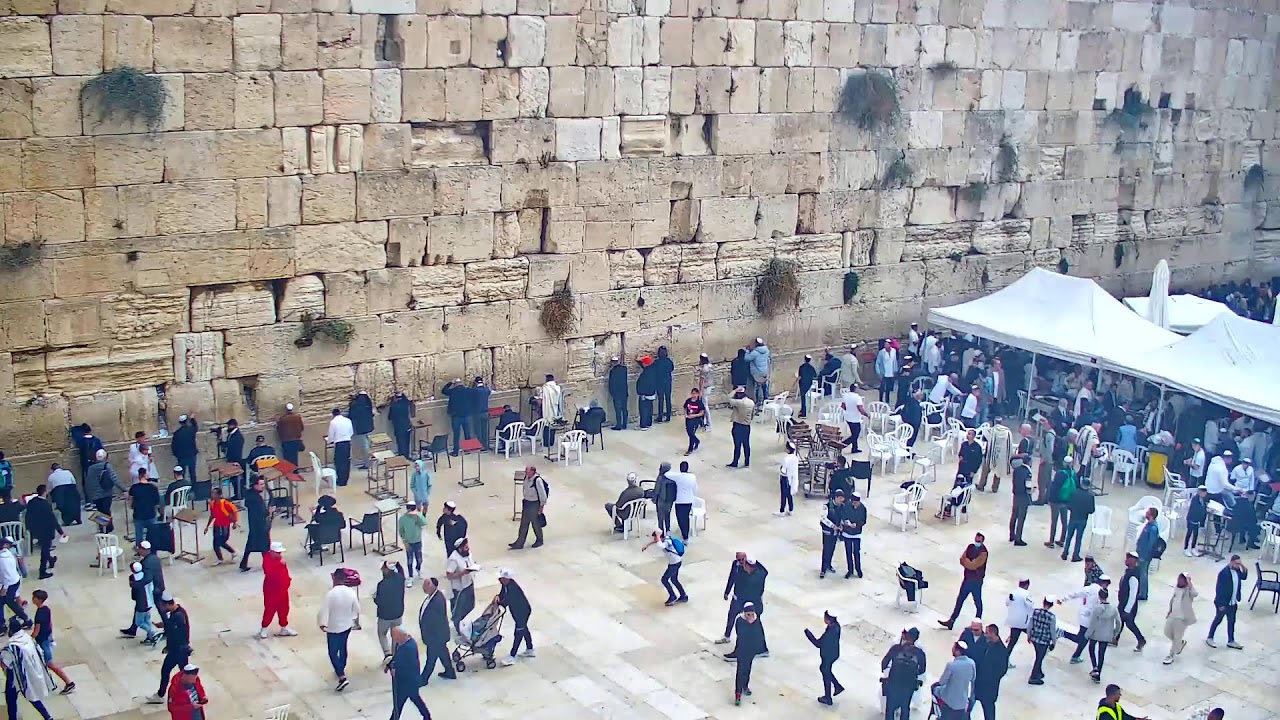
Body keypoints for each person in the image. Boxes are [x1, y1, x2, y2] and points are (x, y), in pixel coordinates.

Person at [1, 617, 55, 720]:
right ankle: (47, 717)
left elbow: (5, 664)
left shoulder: (12, 647)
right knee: (32, 695)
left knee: (11, 697)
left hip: (16, 676)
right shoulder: (26, 638)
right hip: (31, 672)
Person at [320, 568, 361, 692]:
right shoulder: (351, 593)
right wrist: (351, 618)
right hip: (346, 626)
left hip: (333, 627)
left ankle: (341, 675)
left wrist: (322, 623)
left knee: (333, 652)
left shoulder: (330, 594)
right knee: (343, 647)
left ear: (335, 579)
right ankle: (341, 667)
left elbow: (324, 611)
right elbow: (357, 610)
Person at [147, 593, 192, 704]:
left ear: (168, 604)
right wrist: (163, 625)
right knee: (185, 673)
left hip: (177, 650)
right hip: (181, 650)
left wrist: (168, 647)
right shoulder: (179, 612)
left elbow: (176, 635)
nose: (163, 609)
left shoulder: (178, 616)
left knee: (167, 671)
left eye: (163, 606)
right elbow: (172, 626)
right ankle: (189, 693)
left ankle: (161, 695)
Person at [718, 553, 768, 650]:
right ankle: (729, 637)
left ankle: (760, 647)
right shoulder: (740, 568)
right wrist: (727, 592)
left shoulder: (753, 578)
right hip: (740, 600)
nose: (741, 564)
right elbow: (732, 578)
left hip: (748, 604)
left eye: (743, 561)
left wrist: (745, 606)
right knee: (733, 617)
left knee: (751, 626)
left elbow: (752, 593)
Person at [939, 533, 988, 630]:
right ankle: (951, 621)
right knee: (960, 600)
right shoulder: (970, 547)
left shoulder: (983, 553)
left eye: (979, 540)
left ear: (982, 541)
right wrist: (969, 563)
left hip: (976, 581)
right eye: (976, 539)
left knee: (977, 602)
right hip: (967, 579)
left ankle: (977, 623)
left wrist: (967, 563)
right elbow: (962, 559)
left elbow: (974, 565)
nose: (977, 542)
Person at [27, 590, 71, 693]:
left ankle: (69, 682)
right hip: (47, 637)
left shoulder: (39, 615)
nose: (32, 599)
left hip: (42, 641)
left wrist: (28, 639)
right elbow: (50, 623)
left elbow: (36, 631)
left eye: (34, 597)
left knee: (49, 663)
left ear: (39, 600)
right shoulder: (46, 609)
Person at [1061, 574, 1109, 664]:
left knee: (1083, 638)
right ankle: (1063, 634)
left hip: (1082, 615)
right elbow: (1097, 607)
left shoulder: (1089, 588)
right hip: (1089, 619)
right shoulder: (1100, 592)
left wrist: (1064, 599)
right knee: (1082, 638)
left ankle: (1076, 656)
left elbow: (1075, 594)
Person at [881, 628, 926, 720]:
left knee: (890, 708)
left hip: (894, 683)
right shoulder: (919, 653)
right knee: (905, 707)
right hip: (908, 685)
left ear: (906, 636)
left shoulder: (896, 648)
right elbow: (922, 670)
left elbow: (884, 663)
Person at [417, 577, 456, 684]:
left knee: (431, 658)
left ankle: (423, 679)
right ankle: (450, 672)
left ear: (430, 586)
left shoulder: (437, 600)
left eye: (425, 585)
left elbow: (434, 621)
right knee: (443, 654)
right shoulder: (432, 597)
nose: (423, 587)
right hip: (437, 635)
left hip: (436, 636)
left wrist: (429, 636)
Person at [387, 626, 431, 720]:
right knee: (413, 699)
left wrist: (396, 670)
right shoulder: (400, 643)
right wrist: (390, 665)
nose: (394, 639)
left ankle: (427, 716)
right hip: (404, 681)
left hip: (409, 681)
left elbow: (408, 665)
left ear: (402, 636)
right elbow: (397, 657)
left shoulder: (410, 647)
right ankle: (427, 716)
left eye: (395, 637)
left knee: (399, 704)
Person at [22, 486, 64, 580]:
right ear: (45, 493)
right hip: (46, 530)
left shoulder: (32, 502)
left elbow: (27, 516)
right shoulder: (46, 505)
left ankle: (51, 560)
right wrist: (60, 531)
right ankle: (42, 571)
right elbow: (52, 519)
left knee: (44, 548)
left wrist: (29, 528)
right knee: (45, 550)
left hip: (35, 530)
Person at [1205, 554, 1246, 649]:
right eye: (1237, 564)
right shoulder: (1224, 573)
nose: (1238, 565)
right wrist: (1221, 604)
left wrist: (1242, 566)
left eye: (1239, 564)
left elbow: (1244, 576)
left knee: (1231, 622)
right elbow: (1219, 589)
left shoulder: (1237, 570)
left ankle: (1231, 640)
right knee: (1218, 619)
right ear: (1231, 562)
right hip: (1224, 603)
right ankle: (1210, 637)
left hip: (1233, 602)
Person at [729, 602, 766, 706]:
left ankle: (745, 685)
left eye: (751, 614)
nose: (750, 616)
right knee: (740, 671)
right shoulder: (740, 621)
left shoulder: (756, 621)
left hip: (751, 650)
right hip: (742, 650)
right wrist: (750, 624)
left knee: (747, 669)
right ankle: (738, 693)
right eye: (748, 614)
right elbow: (741, 634)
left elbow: (759, 634)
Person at [496, 569, 534, 665]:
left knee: (518, 632)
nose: (499, 579)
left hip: (522, 612)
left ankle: (512, 655)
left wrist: (499, 602)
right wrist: (498, 597)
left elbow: (507, 601)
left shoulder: (513, 588)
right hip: (517, 611)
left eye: (502, 578)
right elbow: (502, 594)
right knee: (523, 628)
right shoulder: (505, 585)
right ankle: (530, 648)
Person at [805, 610, 843, 705]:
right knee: (824, 669)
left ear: (828, 619)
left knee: (825, 672)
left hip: (828, 656)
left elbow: (818, 644)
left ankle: (828, 697)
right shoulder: (835, 626)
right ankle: (837, 686)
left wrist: (808, 634)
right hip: (834, 653)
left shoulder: (830, 632)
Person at [933, 641, 976, 720]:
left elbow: (942, 682)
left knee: (935, 689)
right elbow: (972, 679)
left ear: (958, 651)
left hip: (950, 700)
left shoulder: (951, 665)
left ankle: (939, 713)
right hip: (963, 699)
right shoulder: (972, 663)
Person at [643, 530, 687, 606]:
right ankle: (683, 596)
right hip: (673, 563)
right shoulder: (664, 539)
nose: (655, 540)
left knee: (664, 579)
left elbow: (661, 545)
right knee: (674, 580)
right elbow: (656, 542)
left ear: (661, 537)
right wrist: (647, 545)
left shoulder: (667, 542)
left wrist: (658, 536)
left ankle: (672, 596)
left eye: (656, 538)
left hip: (675, 563)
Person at [1086, 587, 1121, 682]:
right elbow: (1118, 622)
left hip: (1095, 633)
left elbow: (1092, 623)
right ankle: (1098, 673)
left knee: (1091, 649)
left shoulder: (1097, 609)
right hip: (1107, 634)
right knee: (1101, 654)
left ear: (1099, 596)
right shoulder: (1113, 609)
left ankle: (1095, 667)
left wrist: (1087, 634)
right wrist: (1115, 633)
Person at [260, 541, 295, 638]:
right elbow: (268, 571)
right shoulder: (268, 560)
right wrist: (279, 564)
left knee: (284, 608)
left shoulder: (279, 560)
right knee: (269, 609)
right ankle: (264, 627)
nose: (280, 554)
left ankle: (284, 627)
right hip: (271, 590)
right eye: (278, 552)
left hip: (282, 589)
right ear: (272, 551)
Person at [974, 624, 1008, 720]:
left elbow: (1002, 669)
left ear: (993, 633)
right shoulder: (986, 643)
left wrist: (990, 678)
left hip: (989, 687)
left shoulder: (1002, 651)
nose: (985, 635)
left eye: (987, 632)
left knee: (988, 711)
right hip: (978, 683)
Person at [510, 465, 548, 549]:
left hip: (534, 504)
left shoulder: (537, 480)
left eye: (527, 470)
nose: (526, 472)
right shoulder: (526, 478)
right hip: (526, 503)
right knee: (523, 524)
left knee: (535, 523)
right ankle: (519, 543)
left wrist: (541, 507)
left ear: (532, 471)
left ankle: (539, 540)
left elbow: (543, 495)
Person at [1162, 573, 1197, 665]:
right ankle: (1179, 643)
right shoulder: (1176, 589)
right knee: (1167, 632)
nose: (1179, 581)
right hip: (1173, 615)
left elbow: (1195, 593)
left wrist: (1190, 584)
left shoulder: (1188, 591)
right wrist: (1170, 610)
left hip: (1181, 618)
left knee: (1177, 636)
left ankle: (1171, 655)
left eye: (1182, 580)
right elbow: (1173, 600)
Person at [445, 537, 479, 631]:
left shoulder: (468, 554)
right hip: (459, 589)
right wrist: (462, 573)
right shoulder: (453, 559)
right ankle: (458, 628)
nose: (468, 549)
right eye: (465, 547)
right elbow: (449, 575)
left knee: (470, 606)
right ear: (459, 549)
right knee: (458, 610)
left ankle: (463, 622)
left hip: (469, 584)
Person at [375, 561, 408, 657]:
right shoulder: (400, 579)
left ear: (386, 569)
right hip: (398, 614)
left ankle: (387, 654)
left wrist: (374, 598)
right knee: (395, 636)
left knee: (382, 634)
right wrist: (398, 564)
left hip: (384, 616)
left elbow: (379, 601)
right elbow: (402, 572)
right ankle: (395, 654)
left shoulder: (382, 584)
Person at [239, 475, 271, 572]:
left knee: (251, 545)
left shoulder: (250, 495)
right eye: (261, 484)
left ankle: (243, 563)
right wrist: (269, 511)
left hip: (253, 525)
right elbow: (262, 513)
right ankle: (267, 564)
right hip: (260, 525)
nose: (262, 486)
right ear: (255, 485)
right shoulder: (256, 499)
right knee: (265, 546)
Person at [1062, 474, 1095, 562]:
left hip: (1073, 518)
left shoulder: (1075, 492)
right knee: (1078, 538)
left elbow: (1068, 505)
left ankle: (1065, 553)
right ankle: (1075, 555)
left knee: (1069, 537)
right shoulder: (1090, 496)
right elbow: (1092, 510)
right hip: (1083, 519)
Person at [1116, 552, 1146, 651]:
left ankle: (1141, 639)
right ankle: (1115, 639)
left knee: (1129, 624)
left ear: (1134, 561)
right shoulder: (1128, 571)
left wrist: (1127, 609)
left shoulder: (1133, 576)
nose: (1126, 560)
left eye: (1129, 558)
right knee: (1120, 622)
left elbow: (1133, 594)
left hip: (1128, 605)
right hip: (1123, 603)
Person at [1026, 596, 1058, 685]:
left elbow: (1030, 624)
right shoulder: (1051, 617)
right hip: (1044, 641)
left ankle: (1038, 672)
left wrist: (1029, 635)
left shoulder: (1035, 611)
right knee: (1039, 658)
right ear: (1051, 605)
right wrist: (1054, 642)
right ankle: (1033, 677)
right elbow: (1052, 631)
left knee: (1038, 656)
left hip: (1035, 638)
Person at [127, 564, 160, 645]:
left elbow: (134, 593)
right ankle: (150, 637)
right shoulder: (147, 575)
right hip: (150, 601)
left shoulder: (133, 579)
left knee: (139, 622)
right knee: (147, 620)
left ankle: (152, 632)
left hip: (141, 604)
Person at [129, 468, 161, 547]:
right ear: (146, 475)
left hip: (138, 515)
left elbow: (130, 503)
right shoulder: (153, 488)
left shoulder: (134, 488)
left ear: (139, 476)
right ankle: (153, 548)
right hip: (150, 514)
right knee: (153, 534)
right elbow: (157, 502)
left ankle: (140, 550)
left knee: (139, 535)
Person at [1134, 507, 1161, 601]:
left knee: (1143, 574)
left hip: (1144, 555)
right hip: (1141, 553)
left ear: (1151, 515)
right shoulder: (1148, 525)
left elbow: (1151, 544)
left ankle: (1143, 593)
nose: (1146, 513)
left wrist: (1144, 555)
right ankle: (1140, 591)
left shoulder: (1153, 528)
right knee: (1141, 573)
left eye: (1148, 512)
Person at [667, 461, 697, 541]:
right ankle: (685, 534)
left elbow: (667, 474)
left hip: (680, 501)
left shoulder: (678, 476)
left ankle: (684, 534)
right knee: (686, 517)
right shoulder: (692, 476)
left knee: (680, 518)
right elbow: (695, 489)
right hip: (689, 500)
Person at [1004, 579, 1033, 662]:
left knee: (1012, 642)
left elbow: (1007, 603)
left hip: (1013, 621)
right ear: (1027, 585)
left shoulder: (1013, 592)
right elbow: (1030, 605)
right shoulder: (1026, 594)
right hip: (1023, 622)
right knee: (1034, 638)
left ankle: (1005, 659)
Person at [0, 538, 27, 627]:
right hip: (14, 580)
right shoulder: (7, 553)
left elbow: (6, 576)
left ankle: (26, 619)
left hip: (10, 584)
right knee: (3, 602)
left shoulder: (2, 560)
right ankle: (2, 623)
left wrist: (4, 589)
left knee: (10, 602)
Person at [726, 386, 754, 467]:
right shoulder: (751, 402)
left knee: (737, 445)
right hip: (747, 426)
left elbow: (728, 398)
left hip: (738, 425)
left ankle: (735, 462)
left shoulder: (739, 403)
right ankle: (747, 462)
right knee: (746, 444)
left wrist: (734, 390)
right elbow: (752, 414)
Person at [399, 502, 427, 583]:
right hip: (409, 542)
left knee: (419, 559)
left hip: (417, 541)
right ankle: (410, 576)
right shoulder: (403, 518)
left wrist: (418, 515)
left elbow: (424, 523)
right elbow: (401, 531)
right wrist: (405, 542)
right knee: (410, 560)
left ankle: (418, 569)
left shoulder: (417, 517)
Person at [842, 492, 867, 578]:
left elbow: (863, 520)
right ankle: (850, 570)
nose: (854, 504)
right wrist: (846, 522)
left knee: (856, 552)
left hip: (856, 534)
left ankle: (858, 569)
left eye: (856, 502)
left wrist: (856, 525)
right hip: (847, 533)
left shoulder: (863, 508)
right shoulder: (847, 506)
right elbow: (843, 516)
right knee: (848, 552)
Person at [1008, 456, 1032, 546]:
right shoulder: (1028, 472)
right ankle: (1018, 538)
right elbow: (1027, 486)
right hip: (1023, 496)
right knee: (1021, 518)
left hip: (1016, 495)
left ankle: (1011, 534)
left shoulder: (1016, 470)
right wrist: (1030, 494)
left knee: (1014, 515)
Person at [348, 391, 375, 468]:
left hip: (361, 429)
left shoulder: (356, 405)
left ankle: (367, 464)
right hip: (369, 428)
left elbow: (351, 415)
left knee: (364, 447)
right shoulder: (368, 403)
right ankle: (369, 462)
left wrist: (352, 403)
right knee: (368, 445)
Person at [327, 408, 354, 486]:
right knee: (346, 461)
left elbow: (331, 435)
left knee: (339, 462)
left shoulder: (333, 422)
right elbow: (351, 432)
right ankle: (345, 479)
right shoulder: (347, 420)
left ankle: (340, 479)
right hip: (347, 442)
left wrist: (329, 441)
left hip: (339, 443)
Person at [171, 416, 199, 488]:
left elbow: (173, 446)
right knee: (192, 472)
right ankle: (194, 488)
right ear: (186, 421)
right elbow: (196, 427)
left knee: (181, 473)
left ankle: (182, 487)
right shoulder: (191, 430)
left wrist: (177, 455)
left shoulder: (177, 433)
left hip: (181, 456)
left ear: (180, 423)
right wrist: (192, 419)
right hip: (191, 455)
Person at [745, 338, 771, 408]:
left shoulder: (755, 353)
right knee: (764, 386)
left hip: (757, 373)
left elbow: (746, 358)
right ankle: (766, 399)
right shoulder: (766, 351)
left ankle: (758, 403)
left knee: (757, 388)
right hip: (764, 371)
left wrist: (747, 351)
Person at [840, 383, 866, 452]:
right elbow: (860, 409)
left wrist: (849, 409)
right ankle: (841, 445)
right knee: (855, 435)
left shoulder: (845, 396)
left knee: (854, 433)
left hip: (848, 417)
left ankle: (854, 448)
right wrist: (867, 415)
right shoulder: (857, 397)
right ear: (856, 389)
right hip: (855, 419)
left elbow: (843, 406)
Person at [466, 380, 490, 452]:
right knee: (485, 430)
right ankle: (486, 445)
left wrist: (472, 386)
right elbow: (488, 391)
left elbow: (469, 392)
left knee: (478, 430)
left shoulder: (475, 391)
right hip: (485, 412)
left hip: (477, 413)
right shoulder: (486, 390)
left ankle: (481, 445)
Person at [1185, 486, 1209, 556]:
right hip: (1192, 519)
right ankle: (1186, 548)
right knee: (1189, 534)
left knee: (1195, 534)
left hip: (1197, 520)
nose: (1204, 494)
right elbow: (1196, 509)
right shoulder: (1195, 499)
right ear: (1199, 492)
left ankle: (1193, 548)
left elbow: (1203, 507)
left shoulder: (1203, 499)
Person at [681, 388, 706, 456]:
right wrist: (685, 415)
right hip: (688, 419)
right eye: (693, 393)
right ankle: (697, 441)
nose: (694, 395)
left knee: (691, 433)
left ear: (698, 394)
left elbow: (702, 413)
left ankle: (690, 449)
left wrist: (694, 415)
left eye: (695, 393)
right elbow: (685, 407)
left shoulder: (699, 403)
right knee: (689, 432)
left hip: (696, 420)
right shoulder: (688, 401)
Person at [653, 346, 675, 423]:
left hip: (660, 383)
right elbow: (672, 369)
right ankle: (668, 417)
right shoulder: (669, 361)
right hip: (668, 382)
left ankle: (660, 417)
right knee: (668, 399)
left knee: (661, 400)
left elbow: (654, 372)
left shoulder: (657, 362)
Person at [776, 443, 798, 517]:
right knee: (789, 494)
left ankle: (782, 511)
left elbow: (783, 470)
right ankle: (791, 509)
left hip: (785, 478)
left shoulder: (786, 459)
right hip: (791, 479)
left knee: (783, 495)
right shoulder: (795, 458)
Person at [607, 356, 629, 430]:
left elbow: (611, 383)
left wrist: (612, 393)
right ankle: (625, 424)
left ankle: (619, 425)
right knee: (624, 409)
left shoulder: (612, 371)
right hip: (624, 392)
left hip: (617, 394)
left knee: (618, 410)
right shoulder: (624, 369)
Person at [635, 357, 657, 430]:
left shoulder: (646, 373)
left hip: (645, 394)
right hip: (651, 393)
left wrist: (642, 394)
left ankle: (643, 425)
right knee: (649, 409)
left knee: (643, 410)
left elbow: (645, 384)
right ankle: (648, 423)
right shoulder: (652, 370)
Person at [223, 420, 245, 494]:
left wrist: (235, 461)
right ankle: (237, 493)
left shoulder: (237, 436)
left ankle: (239, 493)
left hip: (235, 459)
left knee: (236, 478)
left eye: (229, 425)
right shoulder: (231, 434)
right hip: (231, 459)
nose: (228, 427)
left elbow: (236, 449)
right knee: (233, 478)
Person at [653, 462, 675, 534]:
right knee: (667, 515)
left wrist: (654, 499)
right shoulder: (672, 477)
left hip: (661, 500)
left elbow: (657, 490)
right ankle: (668, 529)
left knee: (660, 517)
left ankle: (661, 532)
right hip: (669, 501)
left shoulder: (660, 478)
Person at [875, 339, 898, 404]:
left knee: (888, 387)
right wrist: (878, 373)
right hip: (883, 373)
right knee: (882, 387)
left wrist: (895, 370)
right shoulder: (881, 352)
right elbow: (877, 363)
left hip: (891, 372)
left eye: (887, 344)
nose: (886, 345)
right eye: (885, 344)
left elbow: (895, 361)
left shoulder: (894, 351)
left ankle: (887, 401)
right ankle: (881, 400)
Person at [696, 354, 715, 429]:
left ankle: (709, 424)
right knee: (705, 405)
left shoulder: (704, 369)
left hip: (705, 388)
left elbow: (702, 381)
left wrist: (700, 391)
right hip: (710, 386)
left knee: (705, 406)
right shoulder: (710, 366)